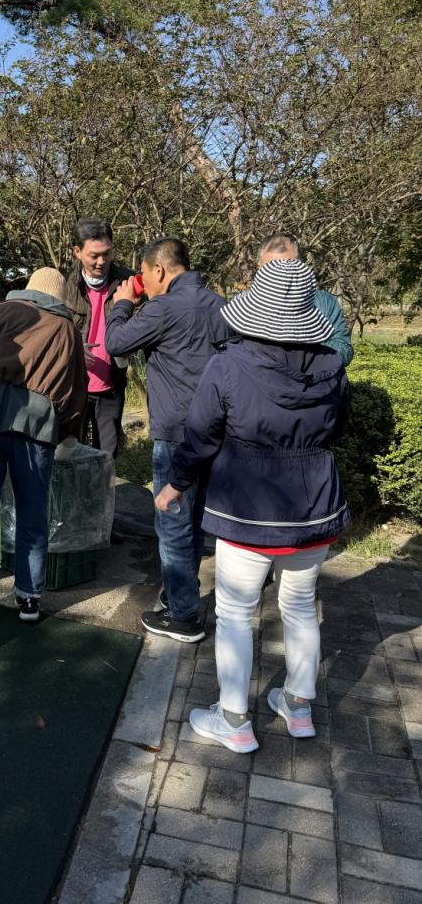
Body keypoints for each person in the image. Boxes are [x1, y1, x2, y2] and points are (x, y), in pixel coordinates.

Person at [155, 258, 350, 753]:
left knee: (236, 613)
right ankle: (299, 708)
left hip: (247, 502)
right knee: (301, 606)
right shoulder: (332, 365)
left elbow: (200, 435)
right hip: (315, 501)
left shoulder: (229, 363)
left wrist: (175, 484)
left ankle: (234, 719)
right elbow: (339, 427)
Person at [105, 238, 230, 643]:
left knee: (173, 524)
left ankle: (183, 616)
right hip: (215, 432)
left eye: (143, 274)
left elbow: (116, 343)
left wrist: (123, 303)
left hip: (176, 434)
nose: (142, 281)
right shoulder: (219, 305)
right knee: (194, 523)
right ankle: (181, 593)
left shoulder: (164, 308)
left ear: (158, 270)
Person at [0, 267, 87, 623]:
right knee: (32, 511)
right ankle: (29, 598)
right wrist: (66, 432)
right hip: (37, 422)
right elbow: (76, 390)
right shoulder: (66, 328)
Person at [64, 219, 135, 457]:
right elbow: (53, 333)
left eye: (107, 253)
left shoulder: (128, 282)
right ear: (77, 252)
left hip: (112, 384)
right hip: (75, 386)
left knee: (107, 455)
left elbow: (145, 323)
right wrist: (74, 349)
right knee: (71, 453)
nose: (101, 262)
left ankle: (105, 483)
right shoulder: (66, 286)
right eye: (94, 256)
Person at [258, 233, 353, 365]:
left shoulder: (324, 302)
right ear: (259, 267)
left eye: (288, 265)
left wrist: (305, 352)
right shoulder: (244, 306)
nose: (281, 273)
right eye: (271, 267)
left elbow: (344, 350)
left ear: (301, 265)